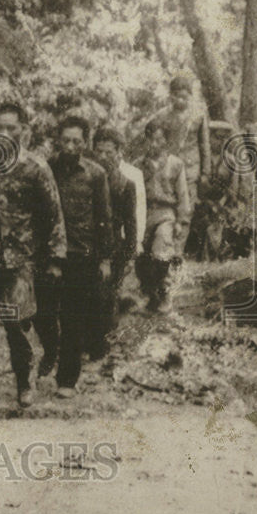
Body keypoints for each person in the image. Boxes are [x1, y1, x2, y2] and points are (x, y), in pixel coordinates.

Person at [0, 102, 66, 422]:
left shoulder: (34, 167)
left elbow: (54, 215)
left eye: (12, 127)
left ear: (23, 130)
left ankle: (24, 378)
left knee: (16, 325)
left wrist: (55, 259)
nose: (5, 134)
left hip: (19, 260)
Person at [38, 115, 112, 398]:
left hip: (82, 255)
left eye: (76, 141)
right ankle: (49, 350)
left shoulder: (96, 174)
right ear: (58, 140)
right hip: (49, 253)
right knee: (43, 313)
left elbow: (104, 218)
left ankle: (67, 379)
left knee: (73, 319)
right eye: (65, 140)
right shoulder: (45, 169)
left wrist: (105, 259)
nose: (70, 146)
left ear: (85, 143)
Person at [91, 125, 140, 356]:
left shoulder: (125, 184)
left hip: (114, 249)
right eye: (98, 151)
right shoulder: (85, 178)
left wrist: (130, 253)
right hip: (88, 246)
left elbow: (131, 223)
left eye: (108, 152)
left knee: (108, 296)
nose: (102, 157)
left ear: (119, 153)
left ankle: (102, 344)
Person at [136, 120, 191, 313]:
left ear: (165, 141)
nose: (155, 144)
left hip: (166, 213)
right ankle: (151, 296)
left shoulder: (175, 164)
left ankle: (165, 294)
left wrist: (181, 221)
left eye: (159, 139)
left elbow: (183, 194)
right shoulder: (139, 165)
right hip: (143, 214)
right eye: (151, 139)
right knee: (142, 257)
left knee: (161, 249)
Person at [146, 72, 210, 237]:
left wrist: (205, 172)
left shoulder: (199, 115)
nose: (180, 100)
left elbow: (204, 144)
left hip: (190, 168)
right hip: (169, 168)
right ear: (171, 96)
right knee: (168, 204)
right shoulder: (162, 116)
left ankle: (179, 249)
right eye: (177, 96)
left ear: (190, 96)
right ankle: (167, 242)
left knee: (186, 207)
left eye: (184, 97)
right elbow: (155, 141)